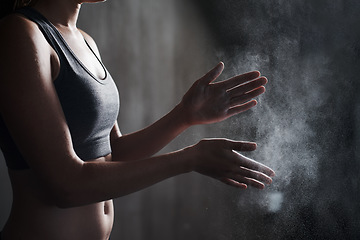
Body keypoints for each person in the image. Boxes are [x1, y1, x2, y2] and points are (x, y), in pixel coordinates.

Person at [0, 0, 275, 239]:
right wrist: (189, 159)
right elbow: (65, 185)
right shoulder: (21, 33)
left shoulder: (85, 41)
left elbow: (113, 153)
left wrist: (184, 115)